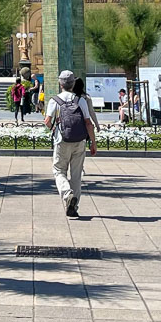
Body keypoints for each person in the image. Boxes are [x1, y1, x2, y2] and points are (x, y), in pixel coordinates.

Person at [46, 70, 97, 216]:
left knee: (59, 170)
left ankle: (67, 194)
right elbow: (88, 123)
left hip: (62, 140)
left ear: (60, 83)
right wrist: (93, 142)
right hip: (79, 141)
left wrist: (54, 128)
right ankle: (74, 206)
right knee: (76, 175)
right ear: (73, 83)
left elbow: (47, 121)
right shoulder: (80, 100)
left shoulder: (54, 100)